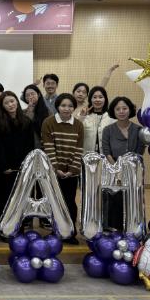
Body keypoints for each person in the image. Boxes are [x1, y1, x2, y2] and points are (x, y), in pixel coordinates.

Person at [41, 93, 84, 244]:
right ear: (57, 106)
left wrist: (72, 170)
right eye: (63, 105)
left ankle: (70, 233)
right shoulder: (48, 122)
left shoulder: (78, 125)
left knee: (70, 202)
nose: (67, 109)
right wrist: (56, 168)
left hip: (71, 172)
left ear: (74, 108)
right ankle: (56, 231)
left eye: (70, 106)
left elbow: (79, 149)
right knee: (54, 202)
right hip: (54, 172)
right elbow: (48, 147)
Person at [0, 91, 35, 221]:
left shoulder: (26, 121)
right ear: (2, 106)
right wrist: (4, 166)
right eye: (6, 103)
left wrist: (25, 165)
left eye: (12, 101)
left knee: (20, 198)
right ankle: (2, 225)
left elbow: (29, 146)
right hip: (4, 168)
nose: (10, 105)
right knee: (3, 198)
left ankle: (19, 225)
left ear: (17, 102)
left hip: (22, 167)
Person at [101, 96, 144, 231]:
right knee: (114, 200)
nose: (121, 111)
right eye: (118, 109)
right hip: (113, 170)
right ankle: (112, 228)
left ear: (130, 110)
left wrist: (128, 167)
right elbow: (106, 151)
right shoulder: (107, 129)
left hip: (133, 170)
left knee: (132, 200)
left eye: (124, 108)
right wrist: (117, 168)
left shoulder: (138, 130)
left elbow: (140, 151)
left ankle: (132, 228)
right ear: (113, 111)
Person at [82, 86, 115, 154]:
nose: (97, 100)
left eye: (100, 97)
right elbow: (76, 131)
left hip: (106, 156)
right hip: (87, 155)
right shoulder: (84, 116)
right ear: (90, 100)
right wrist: (82, 117)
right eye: (94, 97)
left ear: (105, 99)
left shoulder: (112, 117)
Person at [21, 84, 50, 149]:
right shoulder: (23, 112)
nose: (30, 97)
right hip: (28, 145)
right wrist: (30, 109)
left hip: (43, 146)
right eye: (27, 95)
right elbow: (25, 126)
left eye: (32, 94)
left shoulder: (47, 111)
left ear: (38, 94)